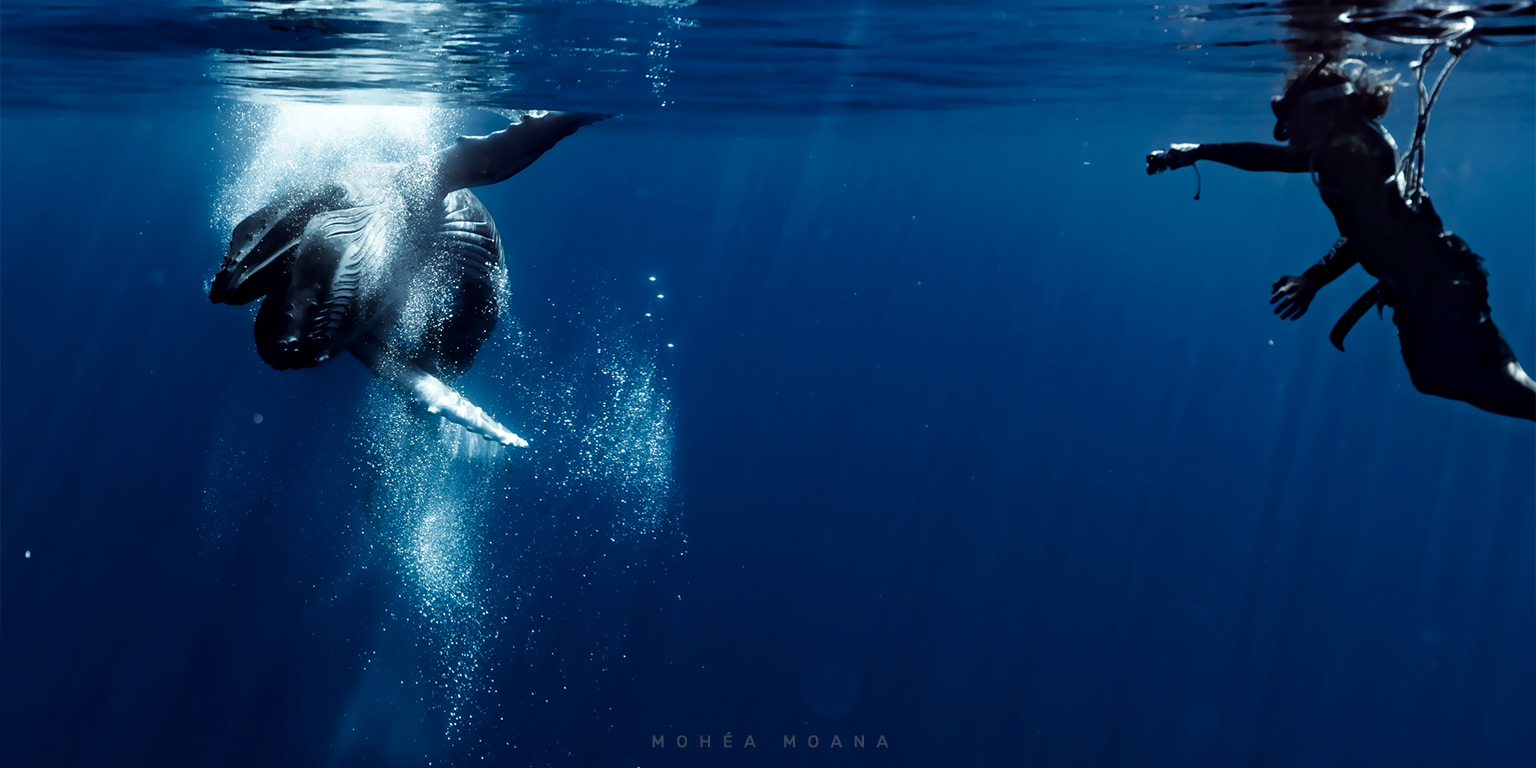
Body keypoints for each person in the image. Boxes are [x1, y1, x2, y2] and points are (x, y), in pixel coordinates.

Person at [1146, 58, 1535, 421]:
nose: (1287, 130)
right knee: (1439, 378)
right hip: (1428, 283)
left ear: (1320, 112)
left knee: (1489, 379)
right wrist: (1197, 152)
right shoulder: (1345, 145)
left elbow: (1278, 164)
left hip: (1437, 286)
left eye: (1293, 117)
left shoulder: (1353, 151)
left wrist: (1313, 279)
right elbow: (1281, 165)